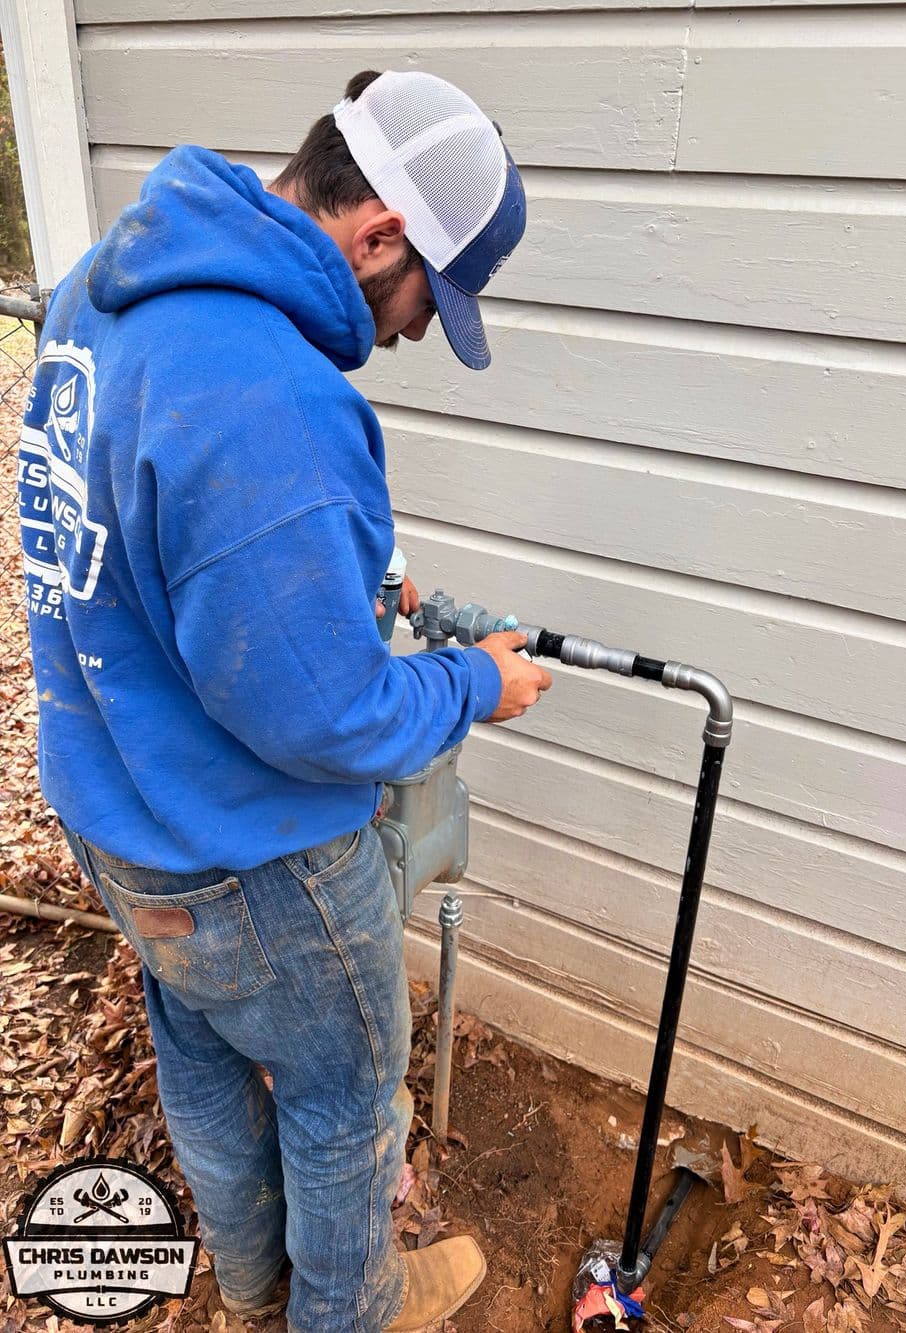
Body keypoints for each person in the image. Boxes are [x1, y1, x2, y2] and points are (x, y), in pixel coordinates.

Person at [17, 68, 552, 1331]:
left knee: (201, 1055)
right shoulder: (272, 396)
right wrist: (476, 680)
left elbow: (163, 525)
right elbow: (326, 717)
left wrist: (352, 567)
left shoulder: (113, 284)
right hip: (256, 860)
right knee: (347, 1101)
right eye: (431, 296)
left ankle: (255, 1292)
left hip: (116, 808)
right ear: (378, 235)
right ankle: (346, 1313)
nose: (417, 332)